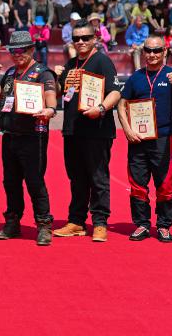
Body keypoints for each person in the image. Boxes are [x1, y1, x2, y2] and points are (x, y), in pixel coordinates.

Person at [54, 19, 121, 242]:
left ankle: (100, 222)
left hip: (97, 130)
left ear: (95, 39)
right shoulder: (71, 64)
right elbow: (60, 92)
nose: (80, 42)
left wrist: (100, 108)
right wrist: (56, 78)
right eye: (76, 38)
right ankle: (76, 221)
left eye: (85, 38)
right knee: (76, 178)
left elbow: (115, 92)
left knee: (98, 177)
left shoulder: (102, 61)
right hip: (72, 130)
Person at [0, 31, 59, 246]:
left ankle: (44, 225)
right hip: (10, 135)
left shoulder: (42, 73)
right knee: (10, 182)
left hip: (33, 136)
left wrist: (50, 110)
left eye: (22, 50)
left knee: (35, 181)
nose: (17, 54)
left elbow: (51, 96)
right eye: (13, 51)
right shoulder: (10, 73)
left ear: (31, 50)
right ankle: (12, 222)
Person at [117, 36, 172, 242]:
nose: (152, 54)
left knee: (165, 182)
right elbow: (121, 104)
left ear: (165, 52)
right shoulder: (135, 78)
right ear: (143, 53)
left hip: (163, 138)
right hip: (137, 138)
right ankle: (142, 224)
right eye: (148, 50)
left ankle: (164, 225)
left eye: (157, 50)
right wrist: (127, 130)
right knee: (137, 182)